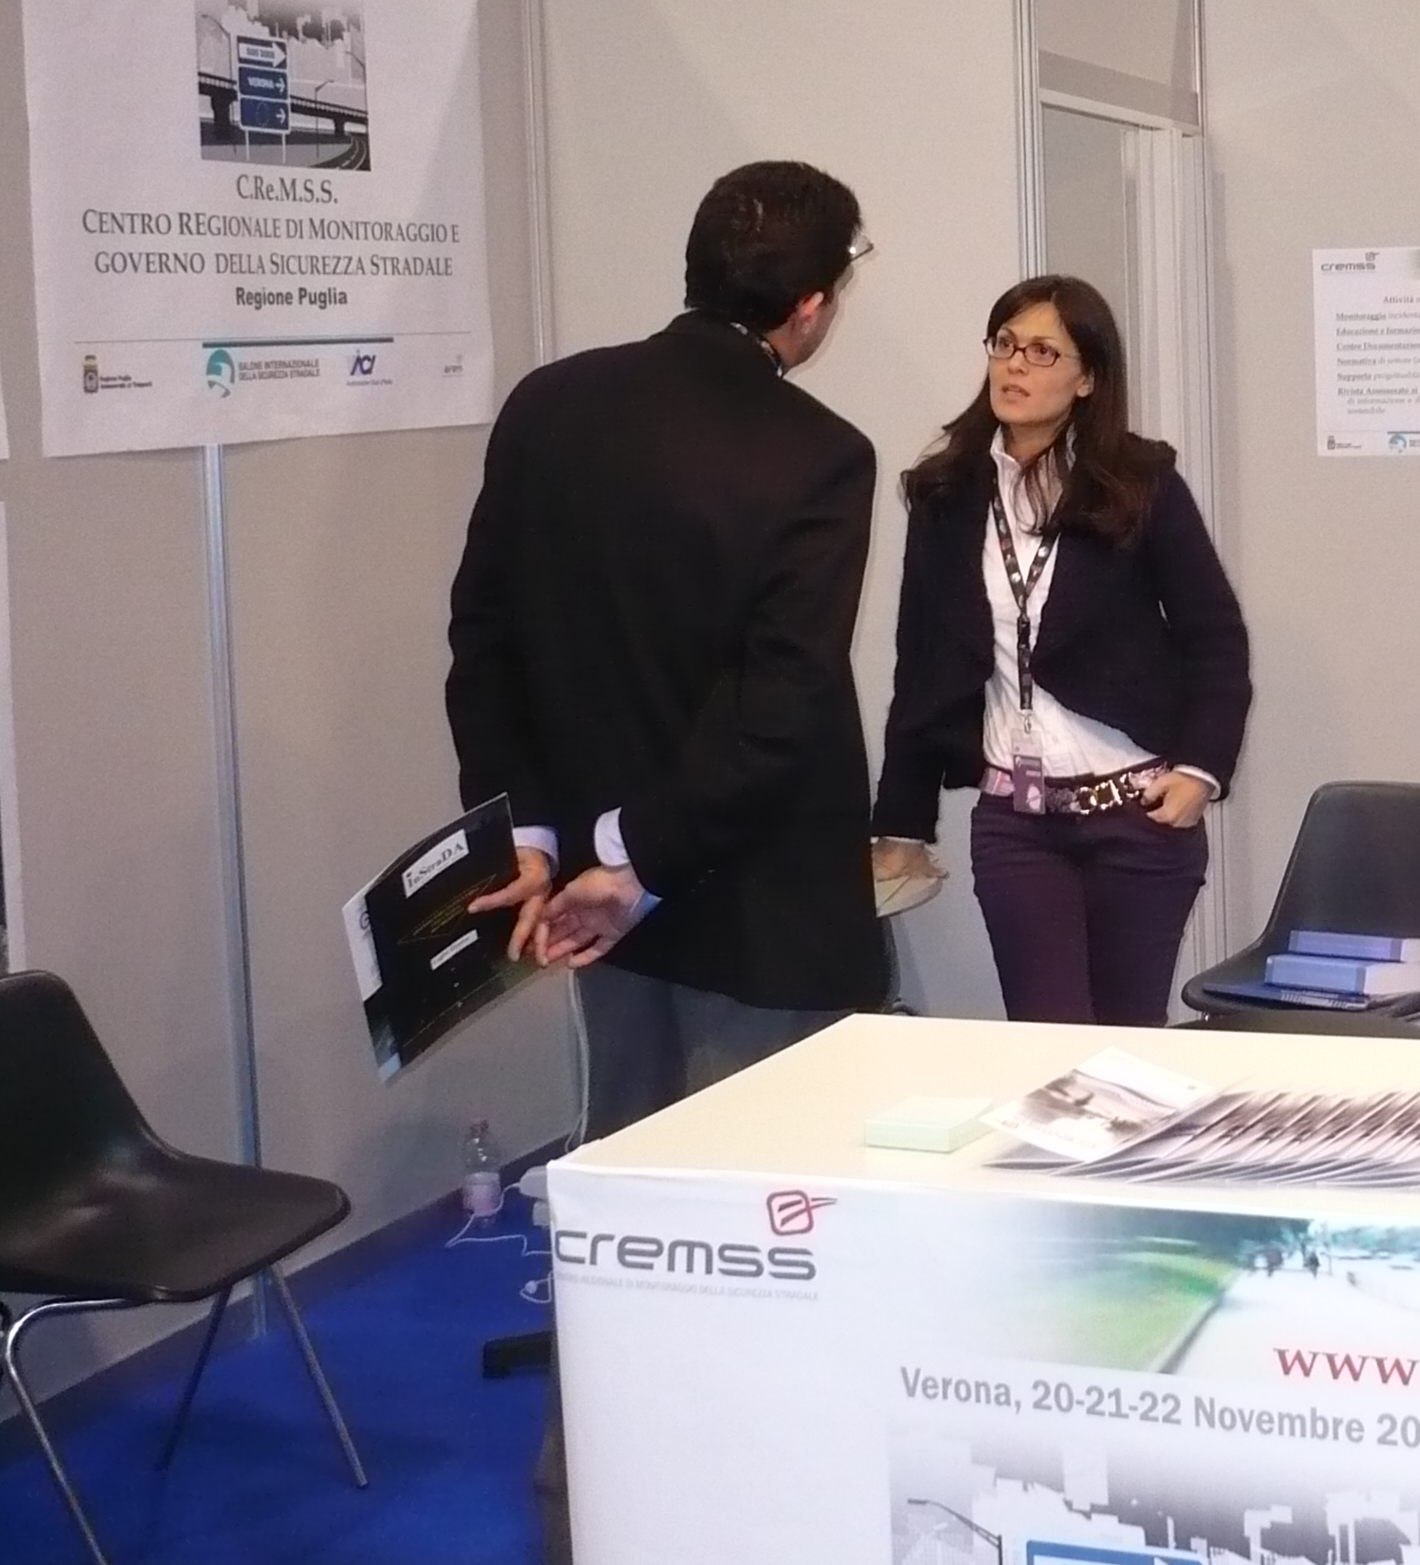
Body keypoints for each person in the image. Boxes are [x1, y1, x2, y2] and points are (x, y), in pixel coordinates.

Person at [445, 161, 884, 1564]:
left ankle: (593, 1512)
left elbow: (483, 640)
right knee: (768, 1236)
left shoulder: (550, 406)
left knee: (621, 1222)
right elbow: (780, 704)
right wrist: (637, 859)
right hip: (749, 906)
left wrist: (533, 839)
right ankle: (758, 1519)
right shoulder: (818, 453)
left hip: (597, 912)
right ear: (809, 304)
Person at [871, 274, 1250, 1026]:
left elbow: (1214, 635)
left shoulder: (1138, 483)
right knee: (1047, 1038)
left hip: (1137, 816)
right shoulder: (947, 493)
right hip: (1017, 824)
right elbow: (921, 662)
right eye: (1005, 344)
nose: (1015, 365)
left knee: (1126, 1042)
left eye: (1043, 352)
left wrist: (1200, 772)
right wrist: (901, 821)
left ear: (1087, 379)